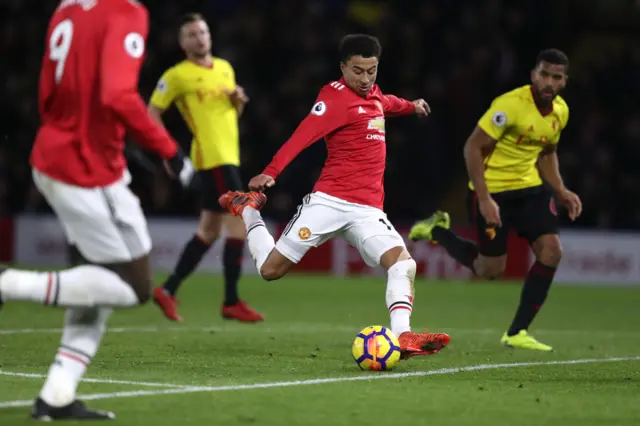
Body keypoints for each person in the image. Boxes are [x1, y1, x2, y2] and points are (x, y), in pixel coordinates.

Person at [0, 0, 193, 420]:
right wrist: (169, 150)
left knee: (96, 287)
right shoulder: (125, 11)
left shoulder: (65, 10)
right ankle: (8, 283)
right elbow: (116, 94)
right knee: (134, 285)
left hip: (52, 152)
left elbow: (48, 94)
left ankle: (56, 395)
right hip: (88, 168)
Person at [218, 34, 451, 360]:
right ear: (343, 67)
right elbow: (304, 134)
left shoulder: (373, 95)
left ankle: (403, 336)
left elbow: (388, 103)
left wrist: (412, 106)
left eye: (372, 71)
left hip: (367, 210)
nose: (366, 79)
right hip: (329, 202)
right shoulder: (334, 98)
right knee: (270, 271)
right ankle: (248, 210)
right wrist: (272, 170)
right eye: (358, 71)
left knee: (403, 263)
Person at [409, 49, 582, 351]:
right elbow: (472, 148)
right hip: (493, 191)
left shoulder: (560, 112)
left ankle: (517, 332)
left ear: (564, 81)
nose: (549, 82)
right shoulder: (509, 106)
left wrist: (561, 190)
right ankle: (436, 230)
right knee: (490, 270)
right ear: (533, 75)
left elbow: (547, 152)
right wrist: (485, 198)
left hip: (530, 190)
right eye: (544, 74)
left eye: (556, 77)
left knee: (552, 251)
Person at [148, 13, 262, 323]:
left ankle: (168, 290)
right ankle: (231, 301)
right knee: (241, 220)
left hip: (228, 155)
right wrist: (167, 153)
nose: (200, 38)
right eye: (192, 34)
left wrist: (238, 102)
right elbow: (151, 113)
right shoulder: (176, 76)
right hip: (211, 158)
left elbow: (230, 119)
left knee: (209, 231)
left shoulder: (225, 68)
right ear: (182, 42)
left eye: (203, 32)